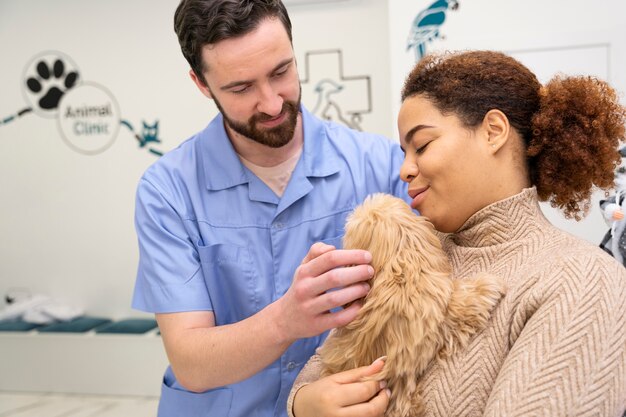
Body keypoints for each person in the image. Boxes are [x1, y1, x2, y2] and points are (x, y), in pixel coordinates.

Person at [289, 50, 626, 416]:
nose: (404, 170)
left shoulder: (583, 280)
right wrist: (302, 404)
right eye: (404, 152)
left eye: (422, 146)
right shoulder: (408, 260)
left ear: (493, 131)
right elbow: (325, 366)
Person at [131, 1, 405, 416]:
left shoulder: (380, 165)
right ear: (201, 84)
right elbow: (191, 362)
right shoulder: (168, 191)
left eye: (282, 72)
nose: (273, 104)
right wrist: (285, 320)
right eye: (241, 88)